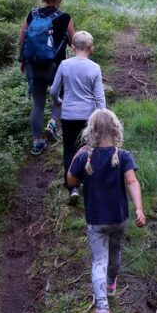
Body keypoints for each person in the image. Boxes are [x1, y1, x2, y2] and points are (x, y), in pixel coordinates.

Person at [67, 109, 146, 313]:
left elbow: (71, 181)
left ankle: (102, 308)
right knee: (115, 250)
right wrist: (139, 209)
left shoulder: (84, 156)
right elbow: (132, 182)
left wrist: (75, 156)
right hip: (118, 218)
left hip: (96, 221)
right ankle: (111, 285)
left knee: (99, 261)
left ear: (90, 132)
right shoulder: (123, 155)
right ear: (115, 130)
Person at [50, 30, 106, 206]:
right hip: (88, 117)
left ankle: (72, 187)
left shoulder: (64, 65)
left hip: (68, 115)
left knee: (69, 151)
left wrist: (59, 101)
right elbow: (100, 98)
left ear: (72, 47)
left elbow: (53, 90)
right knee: (89, 149)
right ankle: (89, 183)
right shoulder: (95, 68)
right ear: (92, 49)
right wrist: (101, 116)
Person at [19, 0, 75, 155]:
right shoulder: (64, 17)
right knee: (61, 94)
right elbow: (74, 41)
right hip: (55, 67)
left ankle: (37, 142)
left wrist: (23, 61)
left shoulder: (32, 14)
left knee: (37, 104)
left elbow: (22, 38)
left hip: (33, 66)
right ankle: (52, 122)